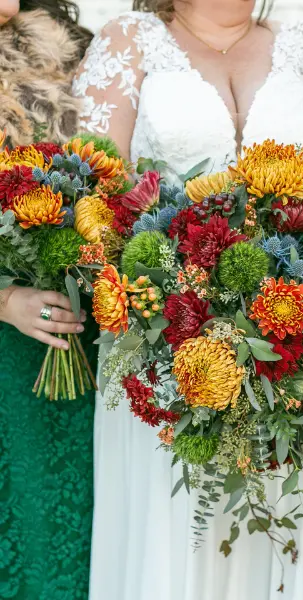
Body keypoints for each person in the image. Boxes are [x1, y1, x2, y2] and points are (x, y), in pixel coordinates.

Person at [72, 2, 303, 599]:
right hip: (163, 339)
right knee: (178, 533)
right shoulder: (131, 41)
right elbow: (94, 194)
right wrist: (176, 297)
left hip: (299, 341)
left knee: (294, 520)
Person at [0, 2, 95, 599]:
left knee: (59, 546)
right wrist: (4, 298)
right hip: (12, 335)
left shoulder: (75, 55)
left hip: (65, 359)